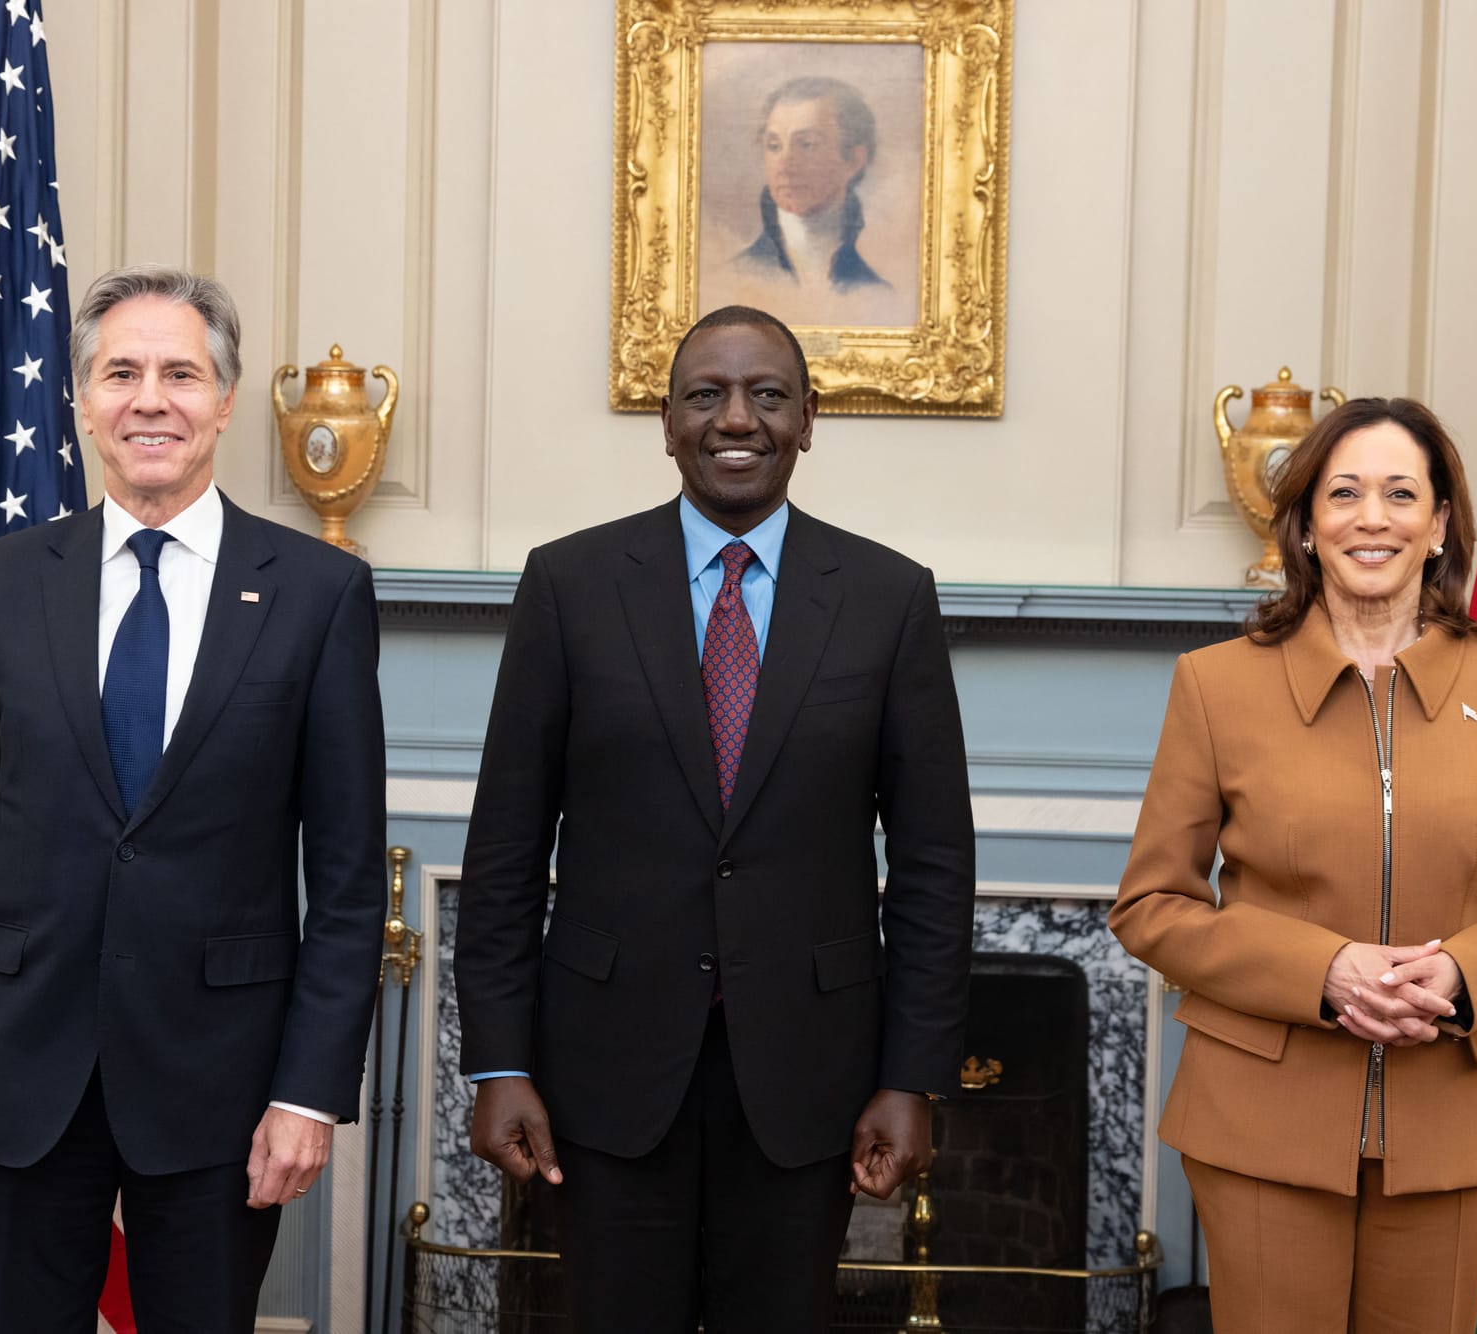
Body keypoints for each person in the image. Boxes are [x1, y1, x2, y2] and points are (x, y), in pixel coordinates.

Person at [0, 265, 386, 1333]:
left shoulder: (316, 592)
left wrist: (308, 1091)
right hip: (16, 1076)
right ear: (84, 401)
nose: (149, 398)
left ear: (225, 400)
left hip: (223, 1086)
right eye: (121, 372)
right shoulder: (1, 582)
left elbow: (344, 883)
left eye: (179, 373)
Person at [455, 304, 975, 1332]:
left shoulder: (887, 597)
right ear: (666, 421)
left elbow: (930, 867)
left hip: (808, 1076)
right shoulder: (569, 583)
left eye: (766, 394)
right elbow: (505, 846)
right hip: (604, 1076)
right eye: (706, 393)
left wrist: (912, 1076)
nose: (735, 416)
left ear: (807, 420)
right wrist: (498, 1059)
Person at [1110, 396, 1477, 1333]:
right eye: (1342, 494)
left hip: (1454, 1120)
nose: (1370, 517)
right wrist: (1322, 970)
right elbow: (1151, 906)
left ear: (1440, 523)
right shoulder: (1215, 686)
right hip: (1260, 1122)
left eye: (1399, 493)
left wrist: (1466, 973)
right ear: (1303, 526)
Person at [734, 77, 891, 296]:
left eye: (807, 145)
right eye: (774, 146)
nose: (785, 165)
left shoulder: (878, 293)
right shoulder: (732, 278)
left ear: (854, 161)